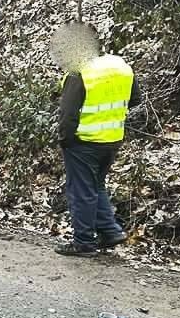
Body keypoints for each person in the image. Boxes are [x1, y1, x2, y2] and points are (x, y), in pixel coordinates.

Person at [50, 21, 141, 257]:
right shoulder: (120, 66)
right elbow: (135, 99)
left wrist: (65, 140)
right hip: (113, 138)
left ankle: (83, 242)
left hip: (84, 141)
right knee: (95, 185)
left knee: (81, 191)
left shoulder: (79, 72)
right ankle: (110, 231)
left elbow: (68, 114)